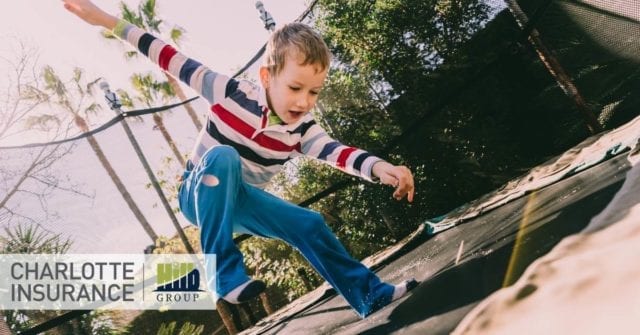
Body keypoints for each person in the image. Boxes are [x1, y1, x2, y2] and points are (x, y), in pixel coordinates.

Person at [62, 0, 418, 317]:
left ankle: (370, 295)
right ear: (267, 77)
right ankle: (223, 272)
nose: (304, 101)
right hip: (198, 193)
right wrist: (104, 19)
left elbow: (339, 153)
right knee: (224, 157)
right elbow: (167, 55)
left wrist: (379, 167)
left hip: (242, 203)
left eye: (314, 92)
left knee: (308, 225)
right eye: (295, 88)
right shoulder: (228, 91)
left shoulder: (303, 131)